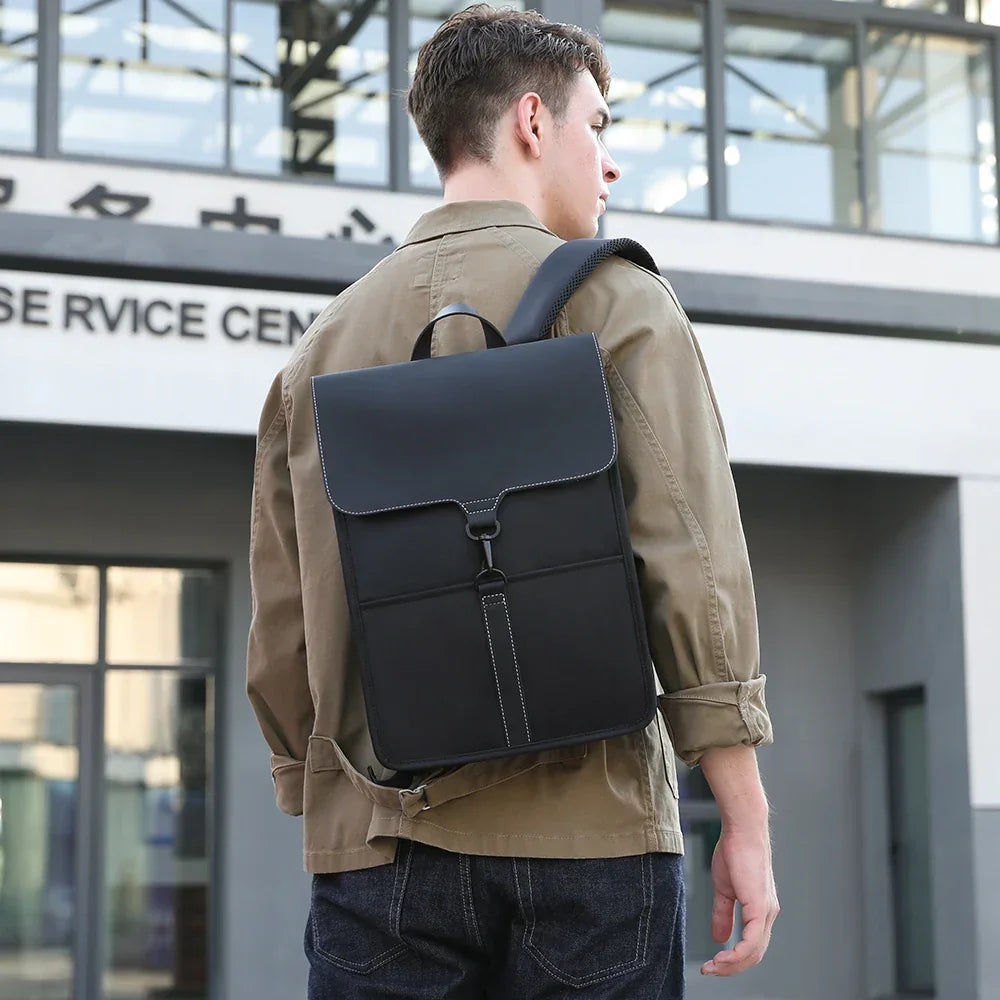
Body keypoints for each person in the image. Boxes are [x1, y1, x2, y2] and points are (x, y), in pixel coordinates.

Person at [246, 6, 778, 998]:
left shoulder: (325, 342)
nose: (607, 164)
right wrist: (742, 817)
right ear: (533, 121)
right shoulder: (617, 301)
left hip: (380, 845)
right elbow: (690, 558)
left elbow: (285, 612)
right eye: (598, 127)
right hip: (591, 840)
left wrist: (311, 789)